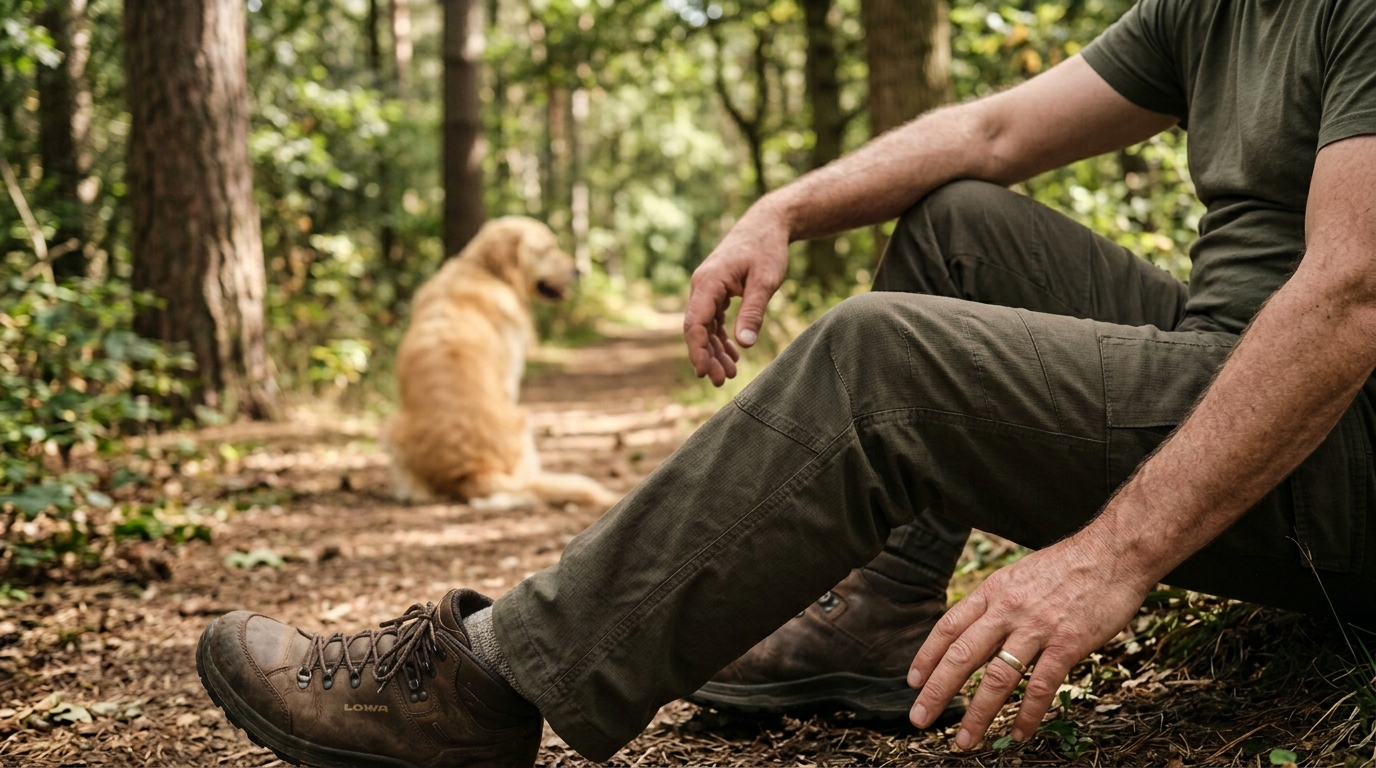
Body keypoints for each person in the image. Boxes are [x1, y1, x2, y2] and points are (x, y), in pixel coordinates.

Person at [195, 0, 1376, 765]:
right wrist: (784, 209)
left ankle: (493, 678)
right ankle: (873, 618)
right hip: (1230, 353)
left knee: (881, 356)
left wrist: (1109, 558)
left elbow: (1347, 297)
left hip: (1345, 452)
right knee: (961, 221)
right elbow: (994, 130)